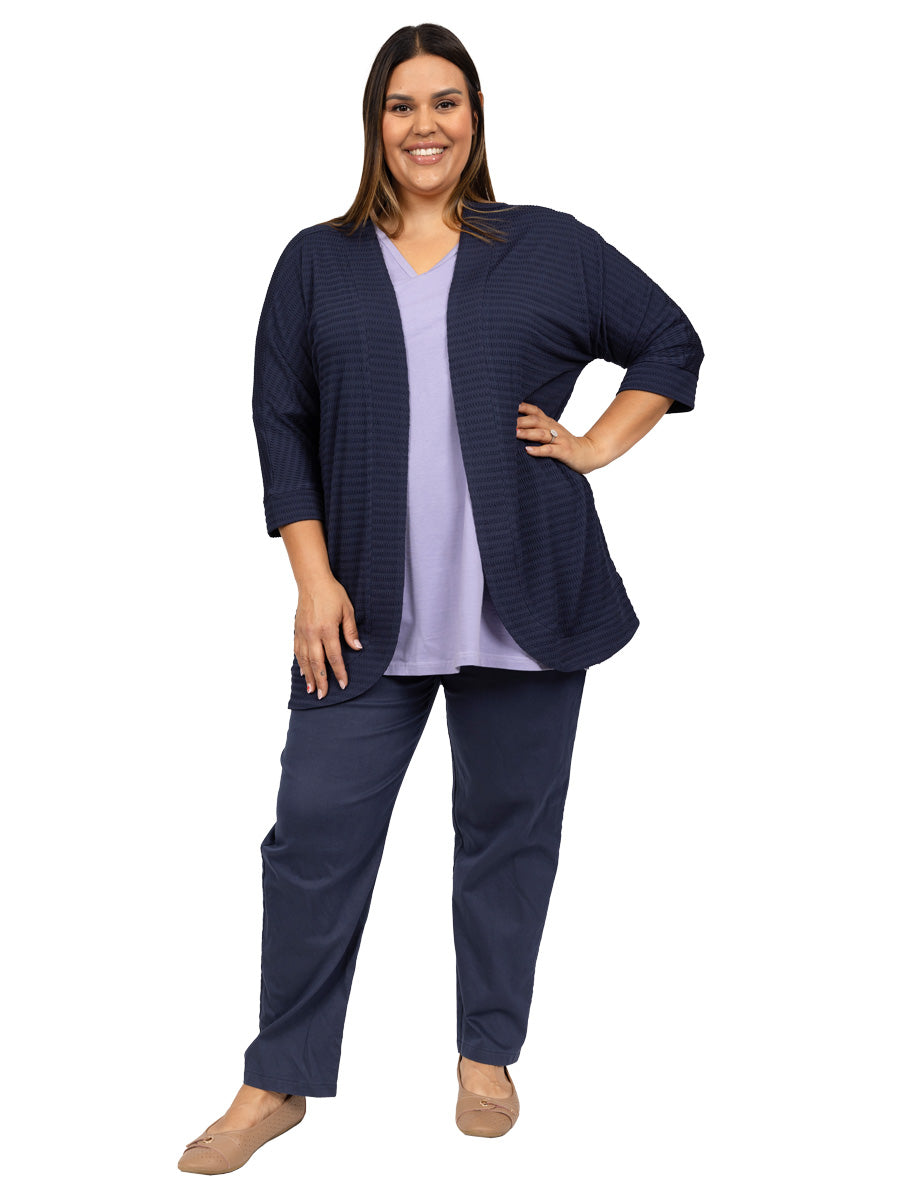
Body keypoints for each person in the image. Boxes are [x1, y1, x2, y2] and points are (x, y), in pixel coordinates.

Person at [178, 22, 704, 1173]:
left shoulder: (547, 246)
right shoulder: (316, 262)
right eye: (403, 105)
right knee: (314, 837)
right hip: (360, 610)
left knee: (509, 835)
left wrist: (594, 445)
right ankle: (276, 1080)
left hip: (529, 597)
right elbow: (281, 422)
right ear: (376, 123)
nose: (426, 126)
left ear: (476, 118)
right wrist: (311, 578)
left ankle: (485, 1057)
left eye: (446, 102)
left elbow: (669, 341)